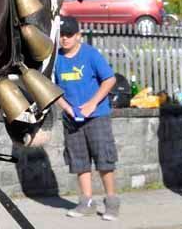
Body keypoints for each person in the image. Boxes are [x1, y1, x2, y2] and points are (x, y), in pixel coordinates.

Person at [54, 16, 120, 221]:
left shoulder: (91, 55)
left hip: (97, 116)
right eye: (61, 35)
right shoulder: (56, 59)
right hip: (72, 118)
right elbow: (52, 89)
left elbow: (110, 79)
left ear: (78, 36)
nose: (65, 39)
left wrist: (92, 104)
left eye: (69, 35)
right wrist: (66, 108)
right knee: (79, 161)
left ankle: (111, 201)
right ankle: (87, 201)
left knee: (104, 159)